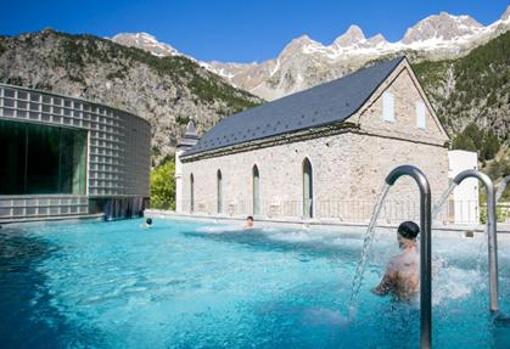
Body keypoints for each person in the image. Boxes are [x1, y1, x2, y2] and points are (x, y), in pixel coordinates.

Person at [373, 221, 420, 300]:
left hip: (399, 308)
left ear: (399, 237)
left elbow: (382, 291)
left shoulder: (396, 263)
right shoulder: (429, 262)